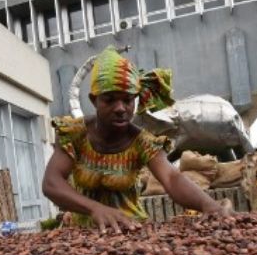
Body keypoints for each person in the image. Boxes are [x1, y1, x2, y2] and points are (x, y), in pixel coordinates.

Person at [42, 46, 231, 233]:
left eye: (127, 100)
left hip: (130, 230)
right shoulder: (75, 134)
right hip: (83, 235)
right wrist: (95, 208)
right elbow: (52, 182)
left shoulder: (141, 142)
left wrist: (209, 205)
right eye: (109, 100)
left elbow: (172, 178)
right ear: (94, 100)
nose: (120, 108)